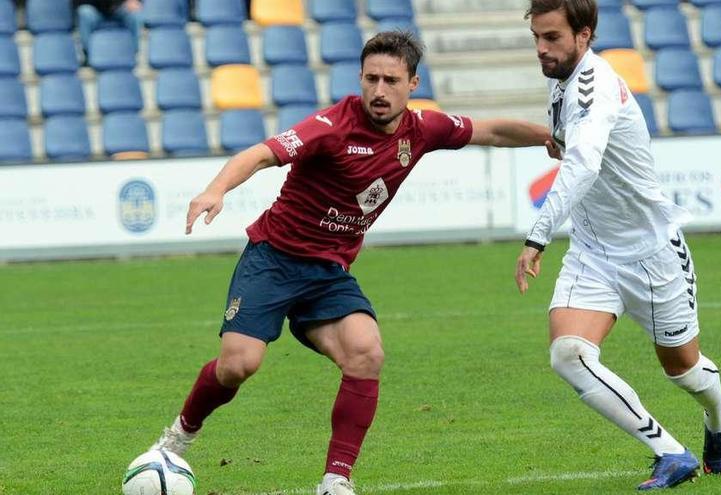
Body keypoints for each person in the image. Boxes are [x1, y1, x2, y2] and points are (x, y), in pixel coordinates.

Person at [148, 31, 554, 495]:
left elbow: (491, 131)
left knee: (367, 352)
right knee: (238, 365)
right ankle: (178, 437)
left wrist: (547, 137)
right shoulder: (330, 126)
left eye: (391, 81)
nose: (379, 91)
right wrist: (215, 189)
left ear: (413, 83)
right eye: (371, 79)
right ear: (360, 79)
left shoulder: (421, 130)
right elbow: (262, 154)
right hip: (274, 260)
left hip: (327, 274)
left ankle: (336, 479)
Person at [515, 0, 721, 490]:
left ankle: (718, 416)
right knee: (568, 353)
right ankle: (669, 452)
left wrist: (537, 235)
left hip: (651, 252)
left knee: (684, 369)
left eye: (551, 38)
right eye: (536, 38)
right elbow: (574, 146)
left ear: (584, 35)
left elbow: (584, 165)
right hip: (593, 251)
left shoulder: (595, 87)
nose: (541, 49)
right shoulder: (561, 77)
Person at [76, 0, 143, 60]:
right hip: (95, 9)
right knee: (84, 11)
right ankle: (89, 56)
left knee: (134, 14)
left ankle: (131, 55)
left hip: (119, 7)